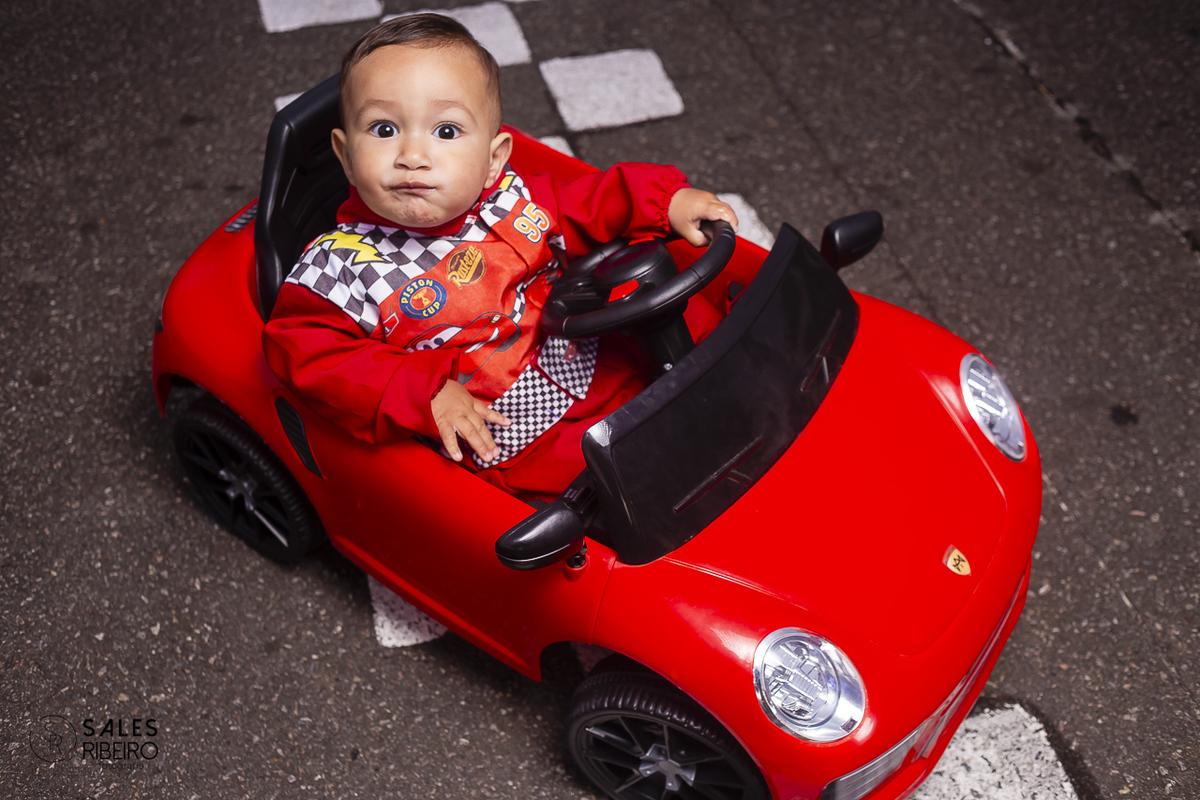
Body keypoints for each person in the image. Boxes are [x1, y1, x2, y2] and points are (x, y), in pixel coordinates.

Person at [262, 13, 738, 500]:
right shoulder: (339, 268)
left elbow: (588, 204)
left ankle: (744, 387)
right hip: (517, 430)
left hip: (590, 353)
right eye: (384, 129)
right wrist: (424, 392)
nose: (412, 155)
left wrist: (664, 202)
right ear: (344, 156)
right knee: (625, 483)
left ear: (493, 160)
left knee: (689, 313)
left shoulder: (506, 199)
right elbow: (308, 352)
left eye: (446, 131)